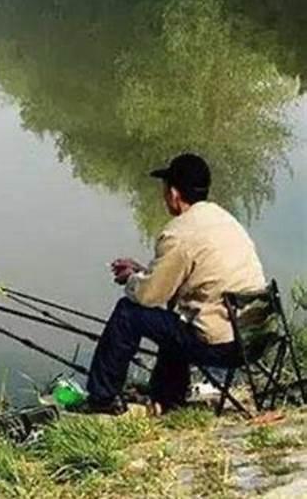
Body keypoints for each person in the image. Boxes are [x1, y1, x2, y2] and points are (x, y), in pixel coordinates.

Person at [78, 153, 266, 415]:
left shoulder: (178, 234)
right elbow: (195, 278)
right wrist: (145, 272)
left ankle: (101, 397)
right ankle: (167, 396)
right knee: (174, 321)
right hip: (256, 337)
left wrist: (131, 279)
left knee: (128, 313)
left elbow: (148, 297)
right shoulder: (224, 219)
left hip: (222, 347)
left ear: (175, 194)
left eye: (165, 189)